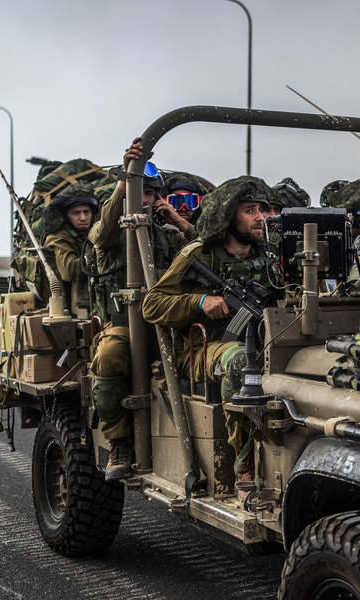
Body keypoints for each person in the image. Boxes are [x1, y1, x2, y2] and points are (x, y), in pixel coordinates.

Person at [142, 175, 281, 503]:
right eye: (250, 210)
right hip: (200, 350)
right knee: (238, 360)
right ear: (229, 216)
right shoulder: (200, 253)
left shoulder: (268, 257)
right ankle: (244, 467)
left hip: (260, 343)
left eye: (262, 209)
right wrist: (200, 302)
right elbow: (153, 304)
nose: (261, 216)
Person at [88, 138, 188, 482]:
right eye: (136, 189)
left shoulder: (166, 233)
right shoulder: (109, 231)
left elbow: (199, 253)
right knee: (109, 356)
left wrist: (175, 217)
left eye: (148, 192)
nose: (141, 197)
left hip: (165, 321)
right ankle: (119, 442)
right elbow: (103, 233)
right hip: (123, 322)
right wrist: (125, 181)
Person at [43, 182, 99, 311]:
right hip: (70, 307)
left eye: (87, 212)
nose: (83, 218)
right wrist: (97, 257)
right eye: (76, 213)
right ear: (66, 216)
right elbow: (70, 271)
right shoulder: (58, 237)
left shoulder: (95, 230)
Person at [154, 172, 207, 239]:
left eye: (189, 202)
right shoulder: (156, 230)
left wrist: (180, 223)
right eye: (177, 203)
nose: (183, 209)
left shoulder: (207, 227)